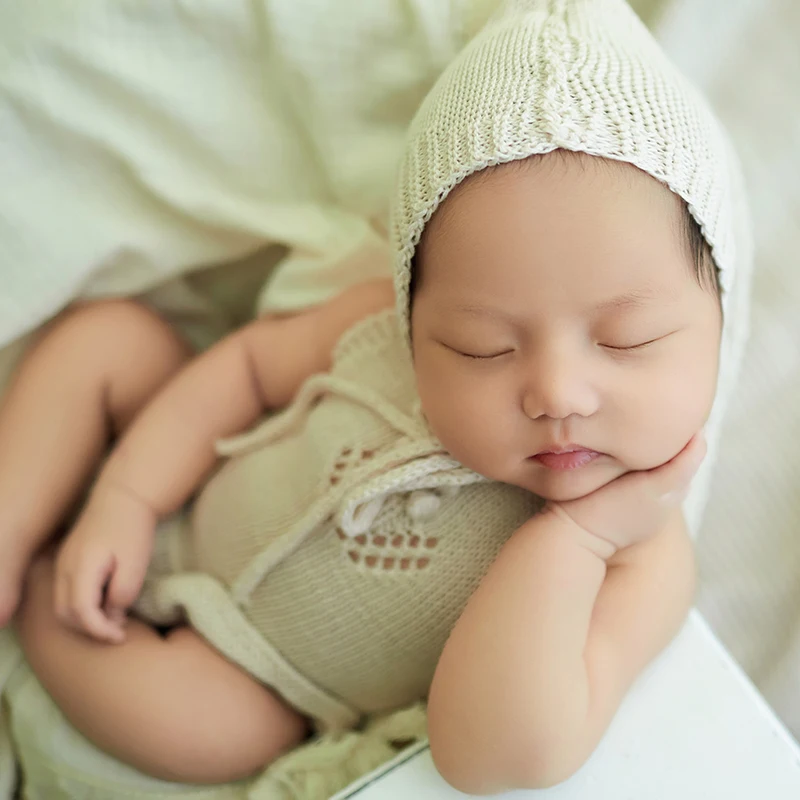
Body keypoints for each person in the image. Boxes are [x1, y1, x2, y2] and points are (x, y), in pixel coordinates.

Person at [0, 0, 751, 793]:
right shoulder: (373, 325)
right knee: (108, 340)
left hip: (250, 672)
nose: (556, 392)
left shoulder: (645, 558)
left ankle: (44, 603)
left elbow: (496, 752)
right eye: (481, 346)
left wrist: (578, 542)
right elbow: (250, 368)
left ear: (717, 322)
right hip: (178, 473)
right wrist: (130, 496)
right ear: (413, 312)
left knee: (213, 734)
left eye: (626, 341)